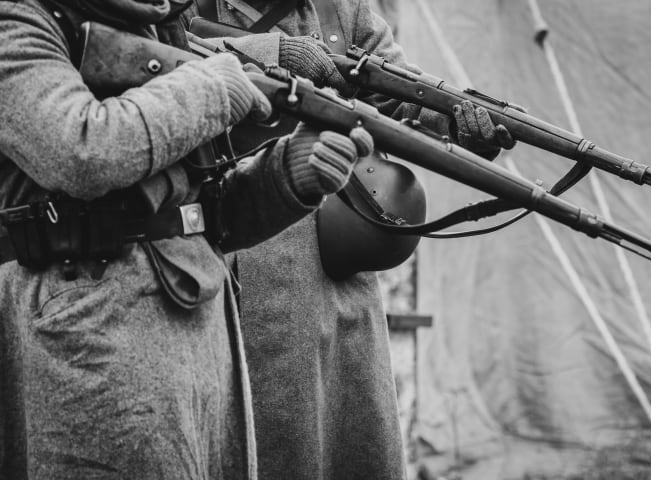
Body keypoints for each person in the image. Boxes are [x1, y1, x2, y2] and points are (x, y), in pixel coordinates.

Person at [0, 0, 374, 478]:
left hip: (203, 349)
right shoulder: (19, 18)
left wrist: (290, 173)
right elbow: (81, 153)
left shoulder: (153, 23)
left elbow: (200, 215)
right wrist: (211, 87)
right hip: (88, 348)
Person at [181, 1, 515, 479]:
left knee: (356, 435)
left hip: (343, 256)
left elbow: (401, 90)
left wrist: (457, 122)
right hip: (247, 255)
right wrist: (274, 52)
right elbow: (166, 63)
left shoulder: (342, 9)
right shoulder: (187, 6)